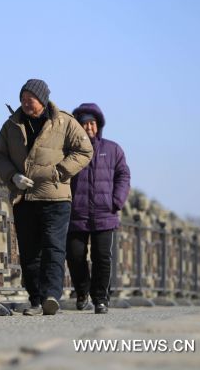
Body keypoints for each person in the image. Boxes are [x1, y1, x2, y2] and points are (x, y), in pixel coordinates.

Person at [0, 79, 93, 315]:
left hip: (55, 197)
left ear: (43, 100)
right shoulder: (11, 125)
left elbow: (85, 151)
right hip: (24, 198)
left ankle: (50, 296)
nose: (26, 102)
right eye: (23, 98)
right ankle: (35, 300)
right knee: (28, 250)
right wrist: (12, 176)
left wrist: (60, 171)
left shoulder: (65, 122)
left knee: (54, 248)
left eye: (31, 98)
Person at [66, 103, 131, 314]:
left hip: (105, 213)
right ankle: (82, 291)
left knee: (102, 257)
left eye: (92, 123)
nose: (88, 127)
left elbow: (123, 175)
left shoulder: (112, 149)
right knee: (75, 256)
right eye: (84, 124)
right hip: (76, 213)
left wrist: (117, 201)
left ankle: (101, 298)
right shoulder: (69, 150)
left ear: (98, 125)